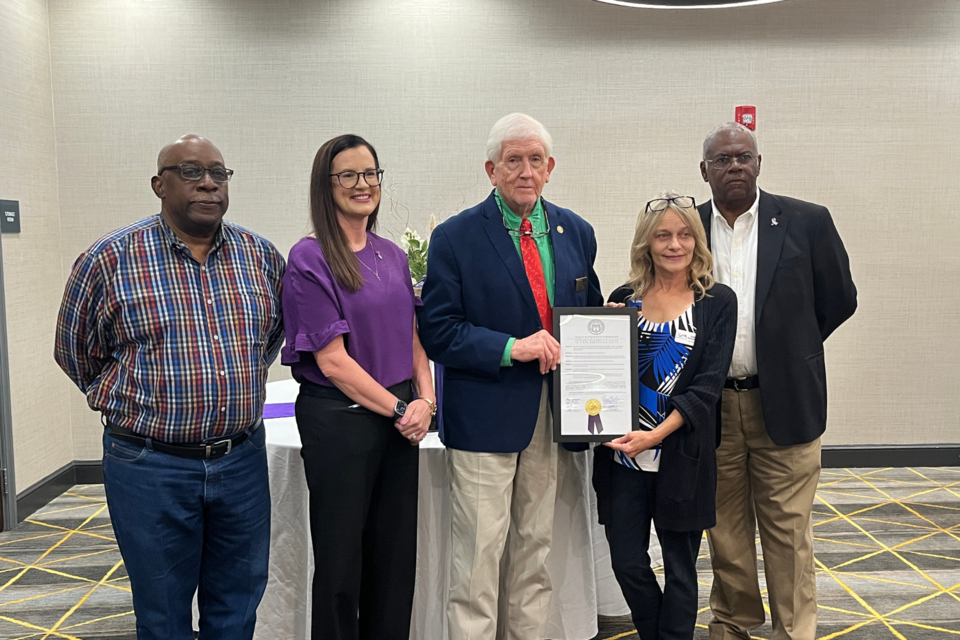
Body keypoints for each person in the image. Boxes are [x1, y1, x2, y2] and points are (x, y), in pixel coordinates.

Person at [54, 134, 284, 640]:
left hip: (241, 460)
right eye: (190, 171)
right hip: (149, 465)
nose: (207, 182)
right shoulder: (109, 259)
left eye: (219, 174)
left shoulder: (261, 256)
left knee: (239, 602)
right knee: (162, 612)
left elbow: (268, 340)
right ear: (159, 185)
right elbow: (75, 353)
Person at [418, 113, 604, 639]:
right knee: (476, 563)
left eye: (535, 160)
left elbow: (586, 315)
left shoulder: (576, 231)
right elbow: (439, 330)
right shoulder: (456, 237)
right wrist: (510, 348)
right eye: (513, 160)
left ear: (550, 168)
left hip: (554, 416)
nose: (526, 171)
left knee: (534, 556)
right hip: (484, 415)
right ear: (491, 170)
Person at [697, 123, 857, 640]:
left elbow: (838, 299)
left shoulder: (807, 221)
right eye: (722, 160)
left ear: (760, 163)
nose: (735, 166)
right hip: (711, 407)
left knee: (788, 531)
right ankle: (735, 622)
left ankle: (796, 631)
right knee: (724, 529)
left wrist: (789, 350)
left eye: (744, 156)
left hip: (785, 400)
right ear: (705, 172)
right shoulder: (687, 229)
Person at [280, 134, 434, 640]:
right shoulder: (309, 258)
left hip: (398, 418)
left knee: (394, 559)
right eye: (348, 175)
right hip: (341, 423)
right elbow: (333, 361)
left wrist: (426, 400)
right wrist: (400, 408)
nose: (362, 184)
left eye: (370, 173)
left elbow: (414, 338)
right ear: (326, 185)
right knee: (342, 563)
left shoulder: (391, 255)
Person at [595, 193, 737, 640]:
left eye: (684, 235)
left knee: (679, 568)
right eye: (663, 235)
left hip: (682, 456)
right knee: (627, 562)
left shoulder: (716, 302)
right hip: (622, 460)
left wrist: (655, 435)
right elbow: (597, 374)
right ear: (647, 243)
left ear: (697, 241)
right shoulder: (623, 299)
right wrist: (601, 328)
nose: (675, 244)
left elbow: (708, 387)